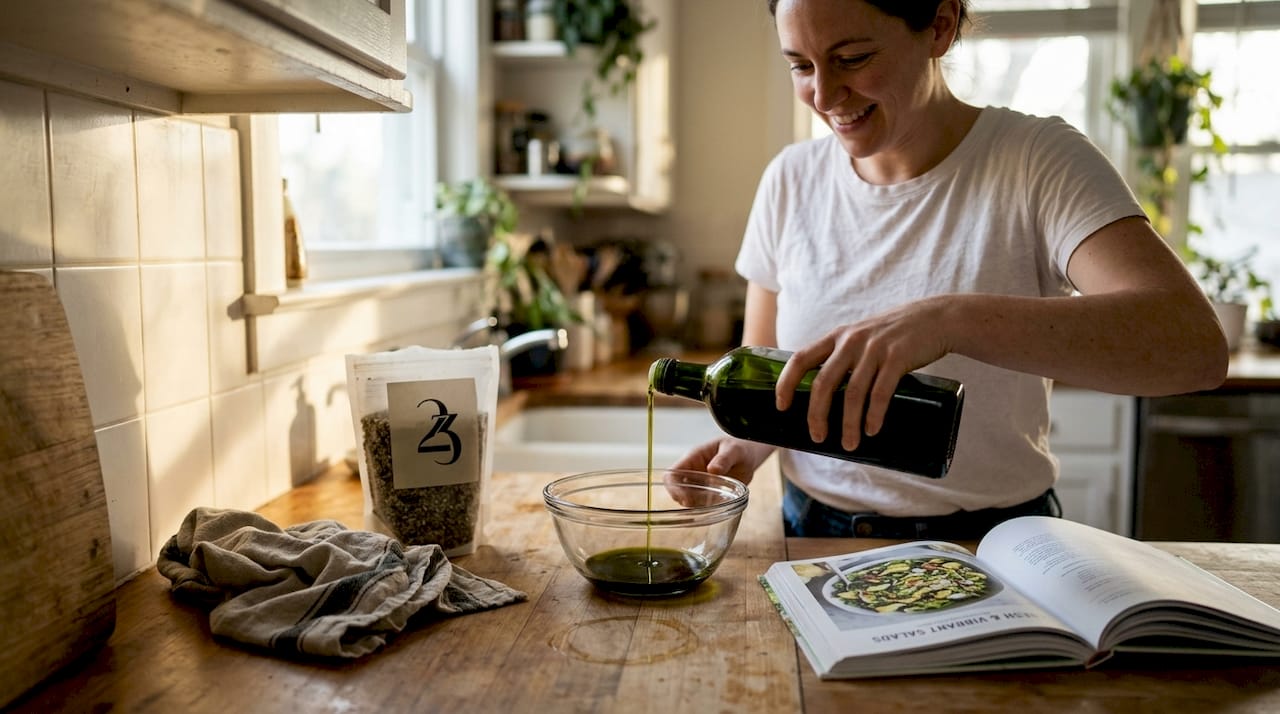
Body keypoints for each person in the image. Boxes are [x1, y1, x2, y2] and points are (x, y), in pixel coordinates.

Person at [671, 0, 1229, 540]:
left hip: (993, 543)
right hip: (814, 534)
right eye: (800, 65)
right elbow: (775, 380)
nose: (823, 94)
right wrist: (744, 448)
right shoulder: (790, 180)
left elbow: (1195, 348)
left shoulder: (1036, 161)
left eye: (853, 58)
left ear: (939, 26)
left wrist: (949, 319)